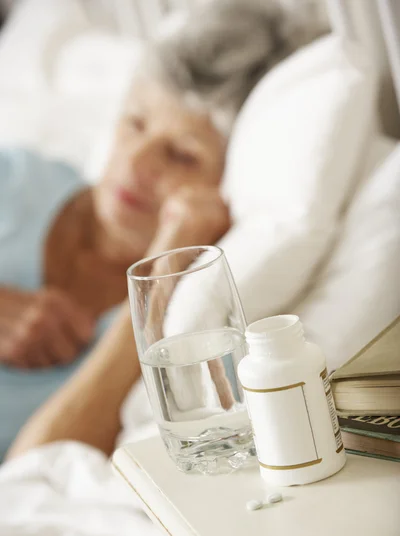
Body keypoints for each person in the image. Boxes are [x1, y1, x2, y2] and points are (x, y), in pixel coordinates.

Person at [1, 0, 322, 461]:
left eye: (182, 155)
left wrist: (166, 262)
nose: (136, 163)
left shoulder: (186, 323)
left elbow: (32, 470)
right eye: (136, 123)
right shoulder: (16, 180)